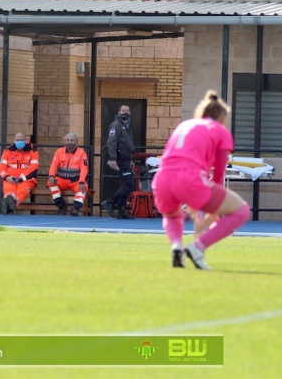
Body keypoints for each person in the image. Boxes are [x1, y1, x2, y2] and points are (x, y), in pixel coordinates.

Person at [152, 90, 250, 270]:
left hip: (162, 178)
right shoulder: (220, 131)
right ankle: (197, 248)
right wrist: (214, 210)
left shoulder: (185, 125)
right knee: (241, 211)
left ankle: (176, 248)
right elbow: (219, 172)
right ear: (222, 117)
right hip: (189, 178)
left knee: (172, 215)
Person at [102, 105, 136, 220]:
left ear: (130, 113)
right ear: (118, 112)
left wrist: (130, 159)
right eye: (123, 111)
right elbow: (111, 142)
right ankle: (110, 202)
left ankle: (121, 210)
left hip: (126, 158)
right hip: (120, 158)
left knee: (125, 184)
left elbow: (128, 144)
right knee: (129, 183)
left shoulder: (126, 126)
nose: (125, 113)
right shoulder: (116, 125)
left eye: (127, 111)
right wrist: (113, 159)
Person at [47, 133, 89, 216]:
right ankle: (61, 206)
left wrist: (81, 182)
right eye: (68, 140)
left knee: (84, 187)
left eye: (72, 140)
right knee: (50, 183)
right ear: (64, 141)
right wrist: (51, 175)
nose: (70, 142)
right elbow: (54, 164)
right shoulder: (59, 151)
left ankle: (75, 208)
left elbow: (84, 168)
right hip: (61, 179)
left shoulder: (82, 153)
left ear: (76, 142)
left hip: (75, 181)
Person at [0, 132, 39, 214]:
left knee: (22, 191)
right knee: (9, 190)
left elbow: (34, 168)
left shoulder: (33, 152)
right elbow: (1, 168)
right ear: (14, 141)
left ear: (26, 141)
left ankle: (9, 204)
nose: (19, 142)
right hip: (10, 178)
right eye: (17, 140)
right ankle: (10, 201)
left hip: (27, 179)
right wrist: (6, 177)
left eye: (22, 140)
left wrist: (21, 178)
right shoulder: (7, 151)